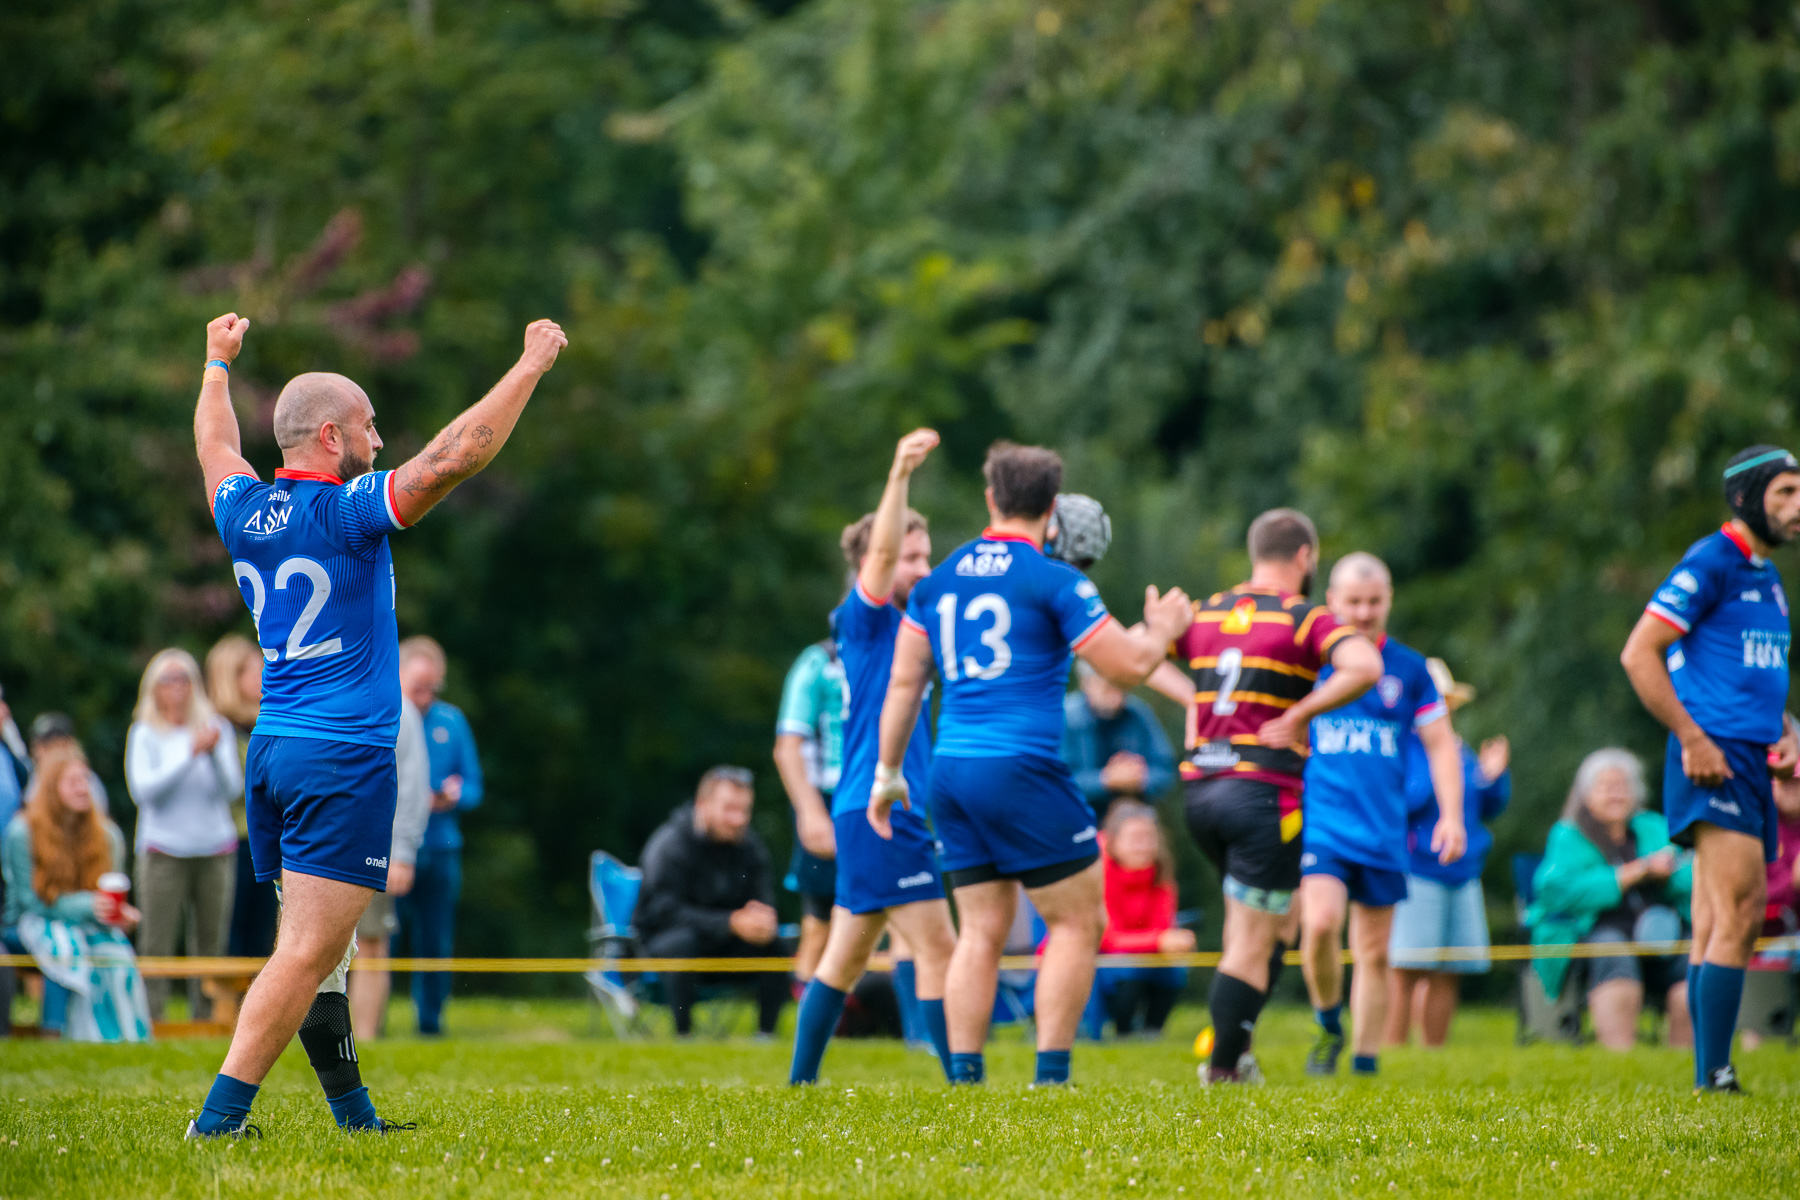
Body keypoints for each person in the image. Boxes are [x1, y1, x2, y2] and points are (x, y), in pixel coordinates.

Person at [191, 308, 565, 1136]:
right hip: (340, 756)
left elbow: (214, 446)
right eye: (366, 427)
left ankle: (355, 1119)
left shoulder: (244, 511)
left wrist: (217, 364)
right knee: (306, 954)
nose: (380, 439)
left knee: (326, 954)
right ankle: (217, 1123)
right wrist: (530, 365)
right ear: (329, 438)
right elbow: (454, 456)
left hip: (278, 749)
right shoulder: (349, 514)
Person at [871, 440, 1193, 1086]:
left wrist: (887, 772)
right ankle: (1051, 1079)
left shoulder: (941, 579)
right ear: (1052, 509)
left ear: (990, 498)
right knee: (1079, 921)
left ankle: (965, 1077)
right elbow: (1126, 666)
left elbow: (904, 684)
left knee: (980, 929)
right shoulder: (1056, 580)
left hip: (952, 773)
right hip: (1021, 770)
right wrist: (1161, 628)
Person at [1171, 509, 1384, 1085]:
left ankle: (1236, 1049)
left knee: (1281, 923)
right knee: (1249, 937)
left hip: (1201, 794)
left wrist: (1192, 702)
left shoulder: (1206, 610)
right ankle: (1223, 1070)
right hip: (1262, 797)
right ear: (1305, 558)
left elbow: (1141, 662)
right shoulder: (1301, 616)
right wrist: (1301, 712)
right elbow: (1365, 662)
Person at [1620, 444, 1800, 1092]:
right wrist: (1693, 739)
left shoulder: (1767, 576)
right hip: (1713, 761)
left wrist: (1789, 734)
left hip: (1749, 758)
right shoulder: (1712, 560)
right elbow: (1640, 651)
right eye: (1784, 492)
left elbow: (1755, 677)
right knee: (1743, 910)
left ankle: (1708, 1074)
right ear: (1748, 498)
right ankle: (1716, 1075)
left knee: (1713, 921)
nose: (1798, 506)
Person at [788, 429, 957, 1085]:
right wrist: (898, 474)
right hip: (881, 809)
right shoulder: (865, 620)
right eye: (912, 557)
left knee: (842, 960)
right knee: (942, 948)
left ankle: (801, 1083)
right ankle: (963, 1083)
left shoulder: (919, 625)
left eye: (927, 554)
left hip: (868, 810)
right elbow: (882, 552)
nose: (922, 566)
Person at [1295, 553, 1465, 1077]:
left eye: (1374, 602)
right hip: (1321, 818)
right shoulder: (1307, 661)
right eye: (1353, 602)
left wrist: (1451, 815)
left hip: (1383, 829)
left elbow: (1441, 745)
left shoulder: (1411, 669)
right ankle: (1328, 1023)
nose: (1364, 613)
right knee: (1320, 924)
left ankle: (1364, 1062)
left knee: (1372, 952)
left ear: (1388, 600)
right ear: (1331, 602)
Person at [1527, 749, 1693, 1051]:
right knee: (1613, 952)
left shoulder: (1653, 826)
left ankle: (1686, 1059)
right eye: (1606, 786)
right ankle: (1619, 1057)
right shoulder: (1568, 834)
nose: (1616, 794)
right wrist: (1632, 873)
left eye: (1623, 785)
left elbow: (1691, 875)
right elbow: (1554, 890)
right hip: (1594, 932)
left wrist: (1667, 874)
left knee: (1692, 959)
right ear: (1587, 794)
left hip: (1661, 928)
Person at [1385, 659, 1511, 1047]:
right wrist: (1441, 765)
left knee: (1450, 968)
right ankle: (1391, 1048)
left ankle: (1433, 1051)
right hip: (1417, 869)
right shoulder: (1405, 747)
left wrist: (1492, 777)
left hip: (1463, 869)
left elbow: (1488, 808)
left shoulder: (1461, 749)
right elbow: (1406, 801)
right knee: (1406, 966)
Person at [2, 745, 150, 1041]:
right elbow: (29, 902)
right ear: (51, 790)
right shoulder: (22, 832)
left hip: (86, 925)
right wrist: (88, 905)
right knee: (63, 944)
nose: (83, 788)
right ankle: (53, 1032)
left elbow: (109, 891)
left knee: (115, 947)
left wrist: (120, 915)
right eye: (73, 782)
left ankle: (120, 1032)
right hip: (24, 925)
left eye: (85, 779)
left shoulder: (107, 835)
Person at [125, 648, 243, 1021]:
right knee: (156, 941)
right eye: (168, 679)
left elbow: (231, 791)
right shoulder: (145, 733)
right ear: (153, 688)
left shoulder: (215, 728)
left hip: (215, 847)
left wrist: (210, 754)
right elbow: (144, 792)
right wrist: (190, 754)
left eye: (184, 678)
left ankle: (206, 1019)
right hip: (163, 849)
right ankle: (150, 1019)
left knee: (211, 943)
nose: (177, 687)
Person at [636, 767, 789, 1037]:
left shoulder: (750, 847)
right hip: (663, 947)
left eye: (745, 810)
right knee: (683, 942)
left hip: (725, 948)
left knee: (776, 944)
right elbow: (665, 913)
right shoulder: (670, 845)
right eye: (729, 809)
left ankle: (766, 1035)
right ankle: (684, 1035)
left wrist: (764, 919)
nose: (739, 819)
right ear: (703, 805)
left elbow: (763, 899)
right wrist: (729, 923)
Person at [394, 635, 484, 1036]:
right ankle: (367, 1024)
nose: (425, 695)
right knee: (382, 940)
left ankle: (430, 1024)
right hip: (391, 848)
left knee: (435, 940)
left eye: (432, 687)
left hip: (442, 844)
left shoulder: (452, 720)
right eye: (417, 687)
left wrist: (454, 795)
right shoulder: (386, 718)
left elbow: (475, 786)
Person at [346, 687, 431, 1040]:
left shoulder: (398, 705)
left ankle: (363, 1038)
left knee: (370, 944)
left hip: (372, 844)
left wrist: (402, 853)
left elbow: (412, 785)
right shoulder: (322, 685)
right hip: (324, 841)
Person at [1079, 802, 1194, 1039]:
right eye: (1134, 838)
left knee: (1174, 968)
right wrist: (1159, 940)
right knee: (1129, 967)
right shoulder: (1096, 872)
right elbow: (1105, 939)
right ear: (1113, 841)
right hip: (1099, 956)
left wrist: (1172, 940)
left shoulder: (1161, 872)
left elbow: (1163, 925)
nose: (1143, 846)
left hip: (1142, 952)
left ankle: (1152, 1031)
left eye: (1149, 838)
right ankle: (1124, 1032)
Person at [771, 638, 846, 987]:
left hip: (881, 795)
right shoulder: (819, 663)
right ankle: (808, 1028)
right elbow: (788, 746)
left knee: (898, 916)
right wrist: (810, 811)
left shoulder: (903, 649)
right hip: (827, 797)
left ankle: (909, 1030)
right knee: (819, 923)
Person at [207, 635, 279, 960]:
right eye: (253, 671)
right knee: (231, 934)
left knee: (261, 935)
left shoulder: (265, 725)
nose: (263, 676)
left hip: (263, 839)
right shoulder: (215, 729)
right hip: (230, 843)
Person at [1062, 660, 1178, 822]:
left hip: (1132, 820)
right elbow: (1056, 781)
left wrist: (1138, 778)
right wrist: (1106, 780)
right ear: (1086, 684)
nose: (1115, 693)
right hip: (1077, 820)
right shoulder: (1065, 718)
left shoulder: (1139, 714)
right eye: (1107, 686)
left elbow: (1165, 771)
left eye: (1119, 685)